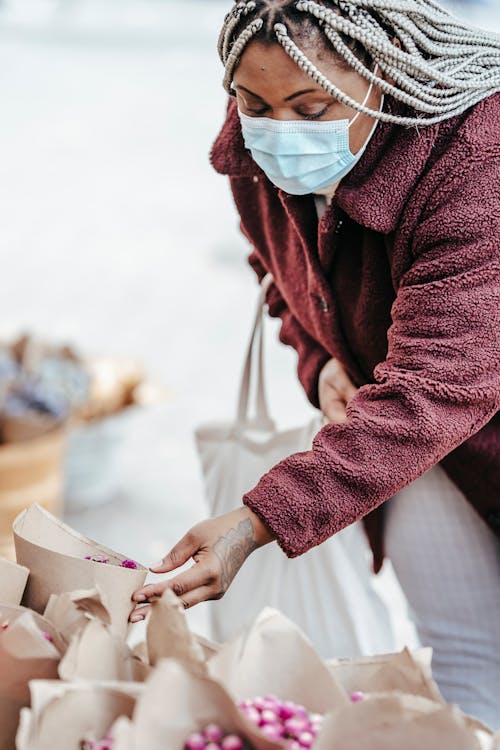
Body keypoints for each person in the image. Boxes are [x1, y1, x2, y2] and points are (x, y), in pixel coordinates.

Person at [131, 0, 500, 728]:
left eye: (313, 106)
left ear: (380, 75)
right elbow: (283, 276)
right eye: (254, 101)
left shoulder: (477, 160)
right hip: (405, 437)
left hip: (430, 410)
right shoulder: (255, 151)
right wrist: (320, 364)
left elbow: (439, 385)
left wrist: (258, 520)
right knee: (463, 653)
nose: (281, 132)